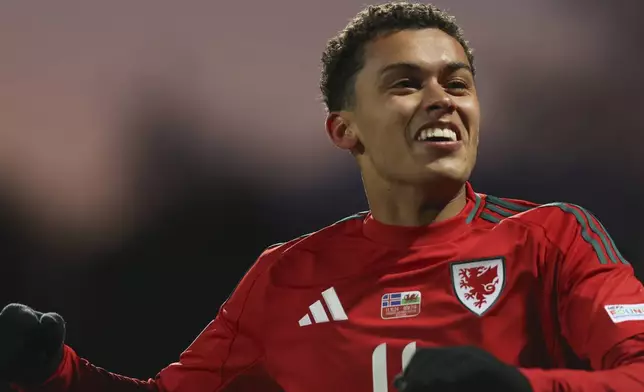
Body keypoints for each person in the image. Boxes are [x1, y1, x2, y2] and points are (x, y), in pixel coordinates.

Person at [2, 2, 644, 391]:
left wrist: (518, 387)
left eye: (458, 82)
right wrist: (50, 372)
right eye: (404, 83)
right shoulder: (286, 276)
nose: (442, 99)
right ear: (346, 129)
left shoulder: (554, 240)